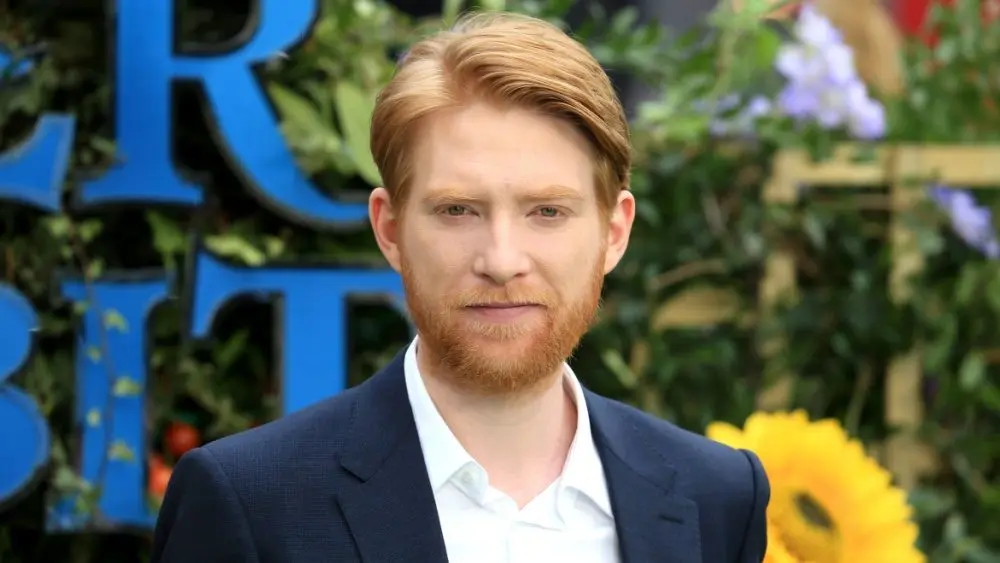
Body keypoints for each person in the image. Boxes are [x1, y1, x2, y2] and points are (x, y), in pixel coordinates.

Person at [150, 11, 769, 563]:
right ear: (390, 230)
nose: (502, 260)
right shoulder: (251, 503)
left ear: (614, 232)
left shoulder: (716, 497)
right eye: (458, 211)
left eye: (547, 211)